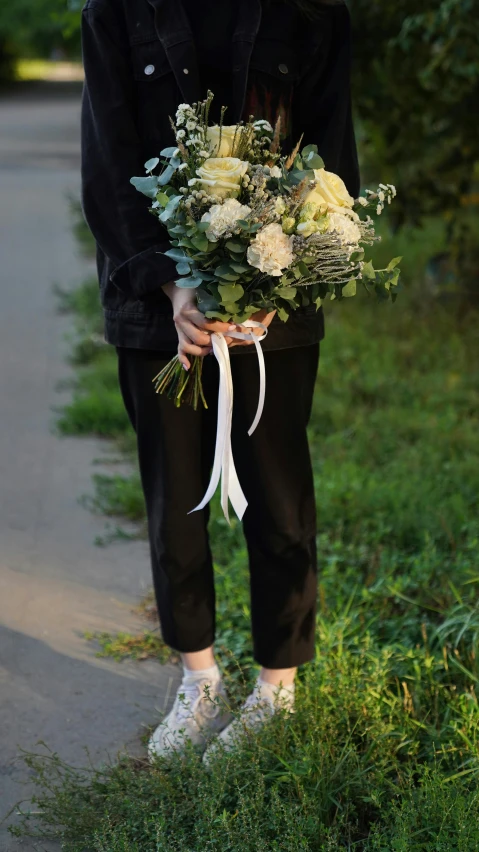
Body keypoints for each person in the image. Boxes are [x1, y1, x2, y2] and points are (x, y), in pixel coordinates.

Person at [80, 0, 359, 762]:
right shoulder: (115, 14)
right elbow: (107, 166)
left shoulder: (313, 12)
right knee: (176, 499)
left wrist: (285, 277)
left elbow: (333, 158)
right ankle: (198, 679)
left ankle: (276, 689)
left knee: (277, 497)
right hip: (156, 312)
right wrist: (174, 288)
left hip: (276, 306)